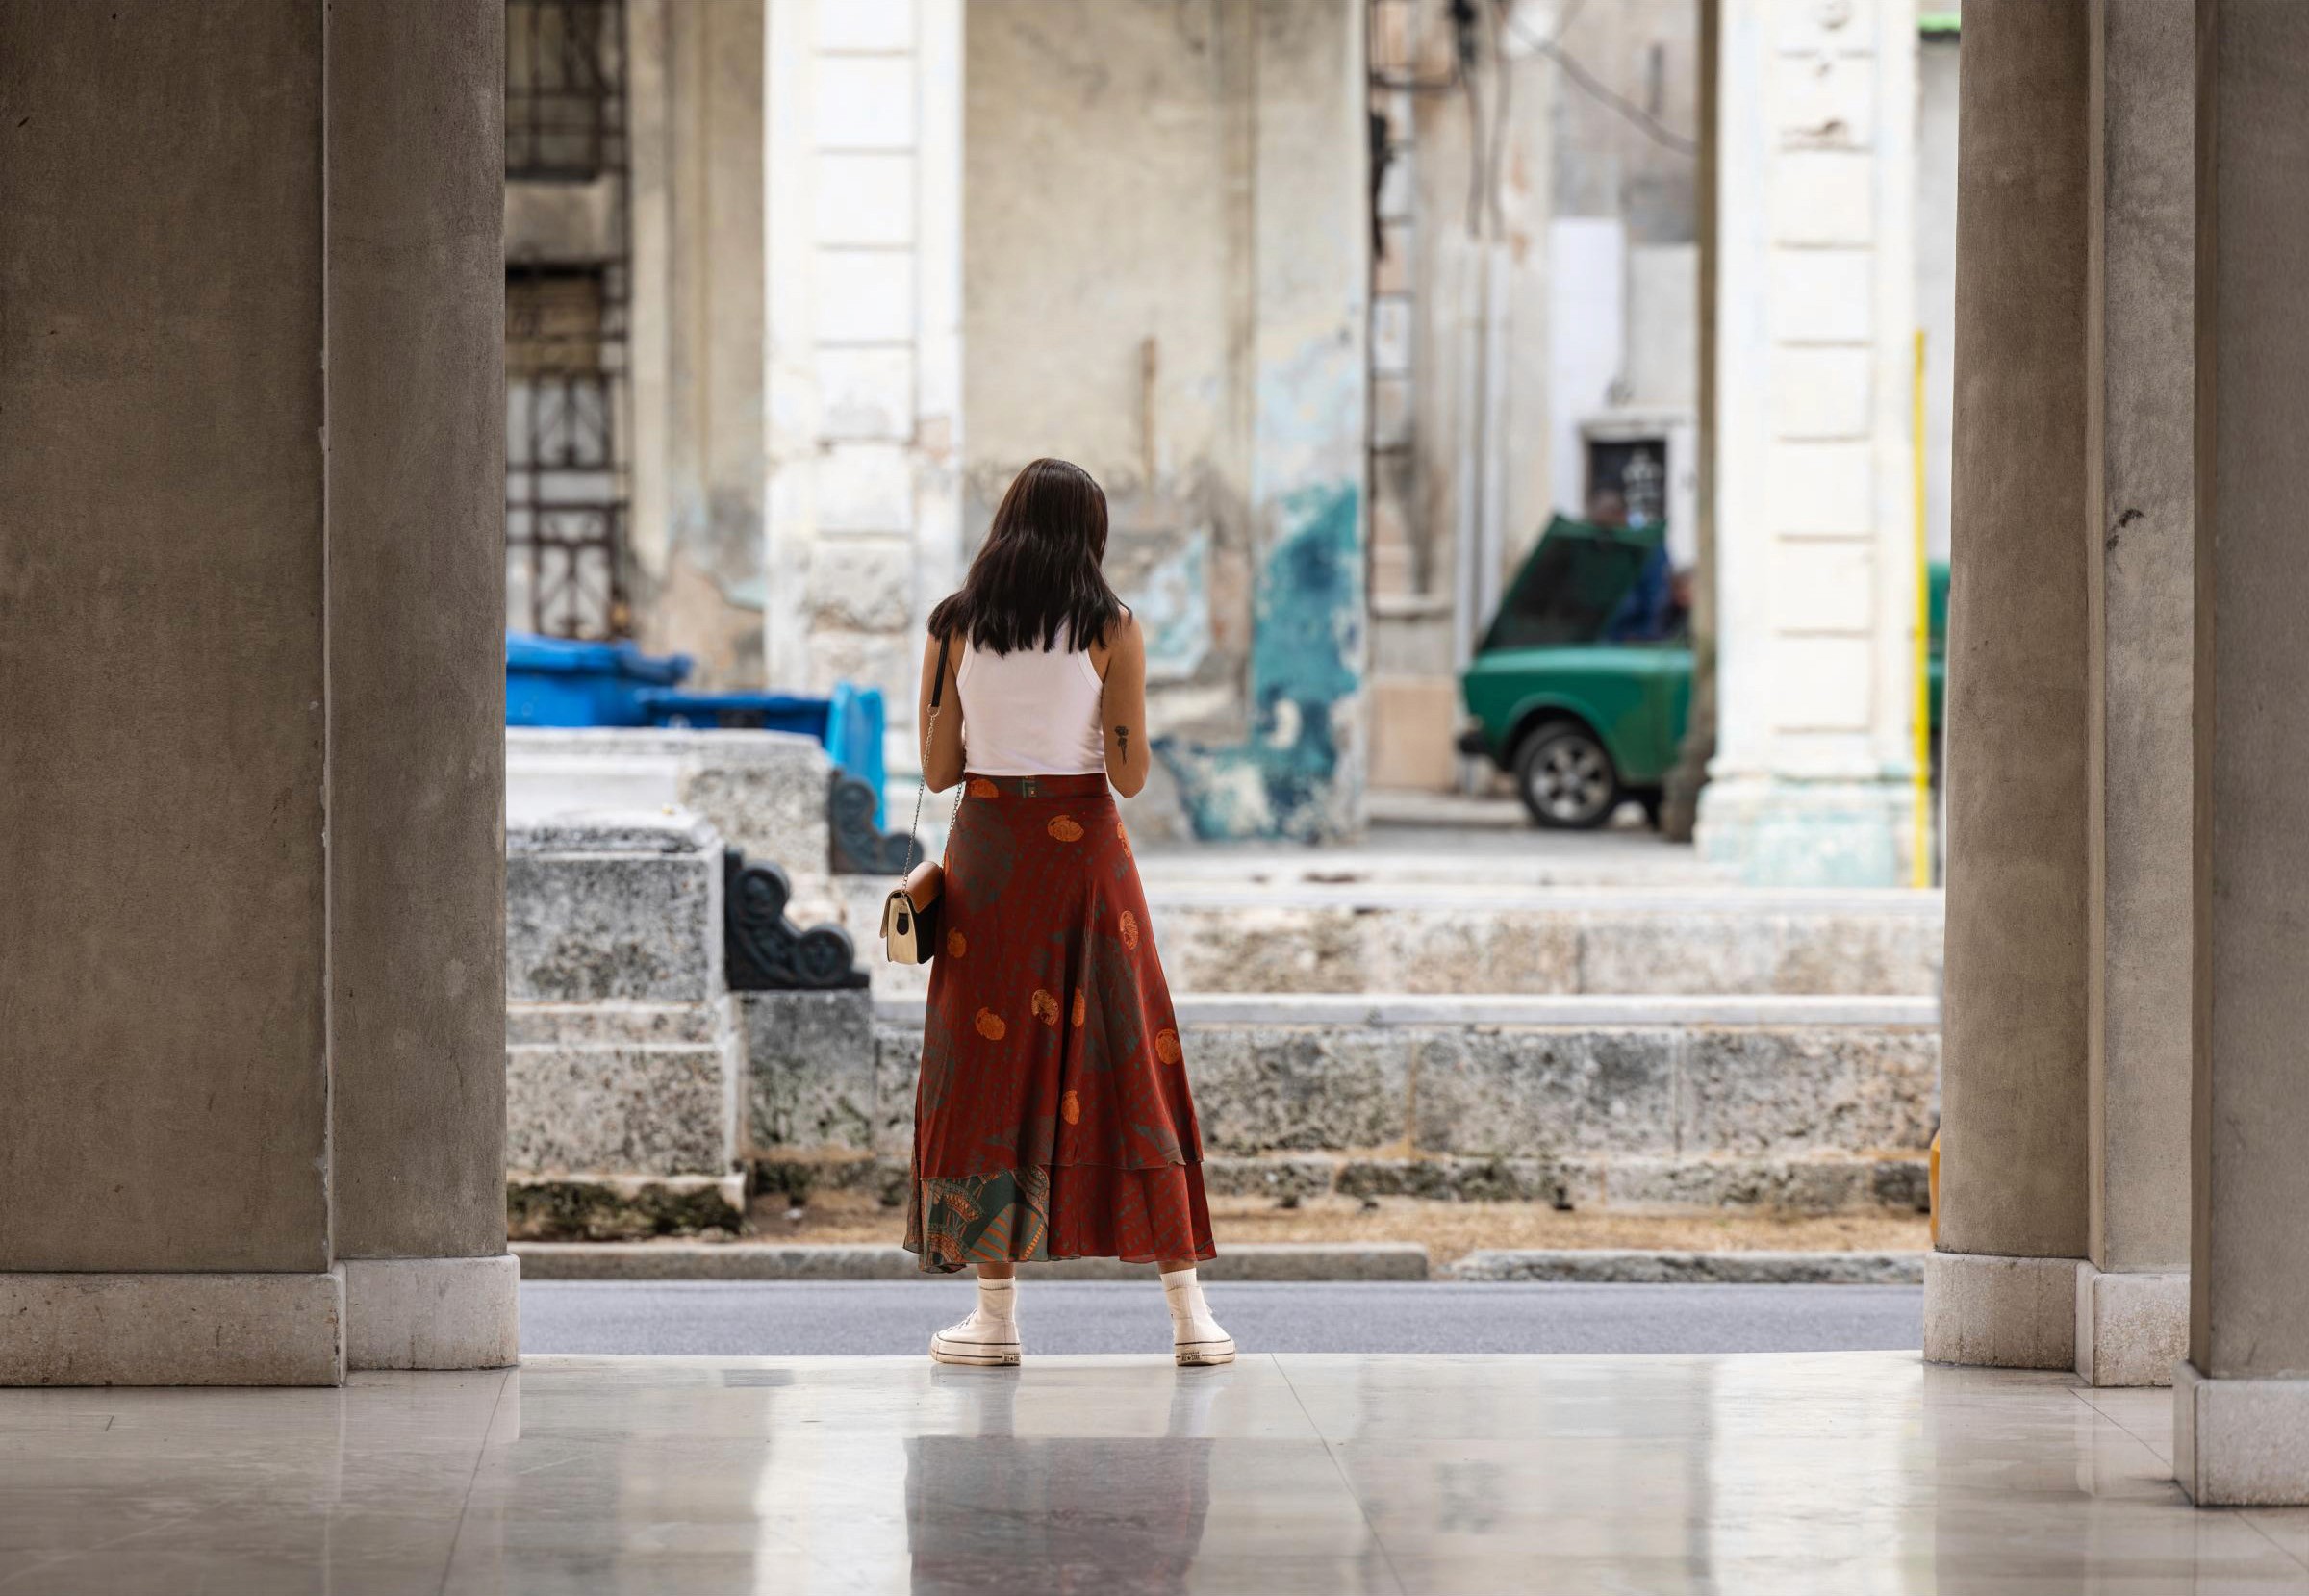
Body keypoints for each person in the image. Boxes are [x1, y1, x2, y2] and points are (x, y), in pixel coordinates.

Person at [903, 457, 1232, 1369]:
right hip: (1085, 856)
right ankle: (1189, 1316)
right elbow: (1128, 772)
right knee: (1134, 1062)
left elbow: (938, 771)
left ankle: (996, 1317)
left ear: (1006, 524)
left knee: (986, 1071)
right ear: (1090, 535)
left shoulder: (953, 627)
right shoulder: (1112, 627)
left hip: (991, 862)